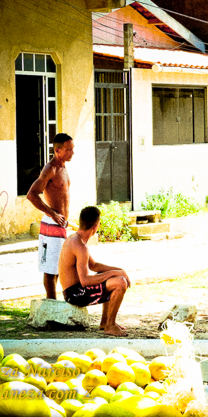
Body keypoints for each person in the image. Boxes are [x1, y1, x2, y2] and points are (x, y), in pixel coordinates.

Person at [58, 206, 130, 337]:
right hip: (75, 294)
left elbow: (94, 265)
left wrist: (119, 270)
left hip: (74, 291)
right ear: (95, 227)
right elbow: (85, 281)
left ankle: (105, 322)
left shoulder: (75, 239)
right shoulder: (80, 246)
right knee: (119, 283)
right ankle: (110, 325)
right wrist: (115, 274)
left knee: (110, 277)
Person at [27, 133, 74, 300]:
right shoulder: (50, 169)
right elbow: (31, 195)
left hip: (61, 225)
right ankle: (51, 303)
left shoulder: (63, 167)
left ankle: (53, 302)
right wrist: (52, 213)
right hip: (52, 223)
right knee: (50, 268)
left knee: (58, 266)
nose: (72, 153)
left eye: (72, 149)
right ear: (57, 150)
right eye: (68, 150)